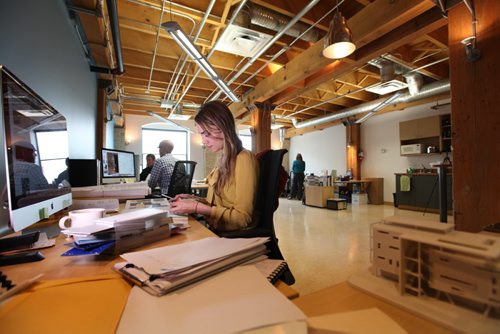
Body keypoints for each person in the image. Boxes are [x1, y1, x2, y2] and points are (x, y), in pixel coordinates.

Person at [169, 101, 259, 232]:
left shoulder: (244, 159)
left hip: (228, 236)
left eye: (206, 134)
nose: (204, 141)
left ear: (222, 128)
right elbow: (219, 205)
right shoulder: (224, 160)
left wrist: (196, 207)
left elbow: (243, 218)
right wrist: (194, 200)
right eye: (202, 135)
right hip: (214, 229)